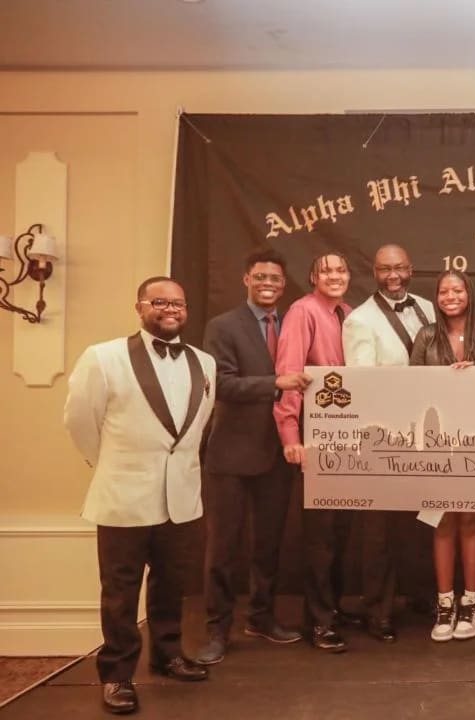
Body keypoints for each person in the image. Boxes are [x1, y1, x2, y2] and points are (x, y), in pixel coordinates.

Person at [64, 277, 216, 715]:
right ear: (139, 307)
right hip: (123, 495)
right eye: (159, 301)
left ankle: (167, 655)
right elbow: (79, 421)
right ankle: (116, 674)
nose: (170, 309)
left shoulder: (205, 363)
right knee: (120, 592)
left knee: (172, 584)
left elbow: (199, 426)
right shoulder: (103, 357)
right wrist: (111, 465)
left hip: (182, 497)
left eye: (178, 303)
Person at [195, 249, 312, 665]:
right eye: (260, 277)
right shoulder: (223, 326)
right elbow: (222, 384)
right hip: (230, 453)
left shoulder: (293, 324)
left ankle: (261, 617)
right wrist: (277, 383)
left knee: (270, 544)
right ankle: (217, 629)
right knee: (223, 548)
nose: (268, 284)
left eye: (275, 279)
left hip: (278, 451)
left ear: (283, 284)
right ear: (246, 279)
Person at [342, 243, 435, 643]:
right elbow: (362, 384)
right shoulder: (359, 320)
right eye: (384, 269)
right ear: (374, 272)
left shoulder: (428, 308)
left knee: (422, 522)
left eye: (399, 268)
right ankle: (377, 610)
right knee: (378, 530)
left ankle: (420, 595)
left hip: (428, 433)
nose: (393, 275)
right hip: (382, 435)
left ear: (410, 268)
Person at [409, 270, 475, 642]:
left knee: (472, 519)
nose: (450, 296)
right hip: (436, 442)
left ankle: (471, 601)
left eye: (457, 290)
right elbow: (412, 387)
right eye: (444, 291)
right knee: (443, 520)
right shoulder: (426, 336)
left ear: (470, 294)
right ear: (436, 297)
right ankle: (445, 602)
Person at [273, 252, 353, 653]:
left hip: (346, 432)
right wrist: (291, 434)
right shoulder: (302, 312)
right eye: (326, 271)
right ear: (312, 277)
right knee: (319, 535)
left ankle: (332, 608)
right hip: (313, 432)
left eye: (341, 270)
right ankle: (319, 621)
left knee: (339, 531)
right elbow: (290, 375)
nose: (334, 276)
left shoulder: (349, 314)